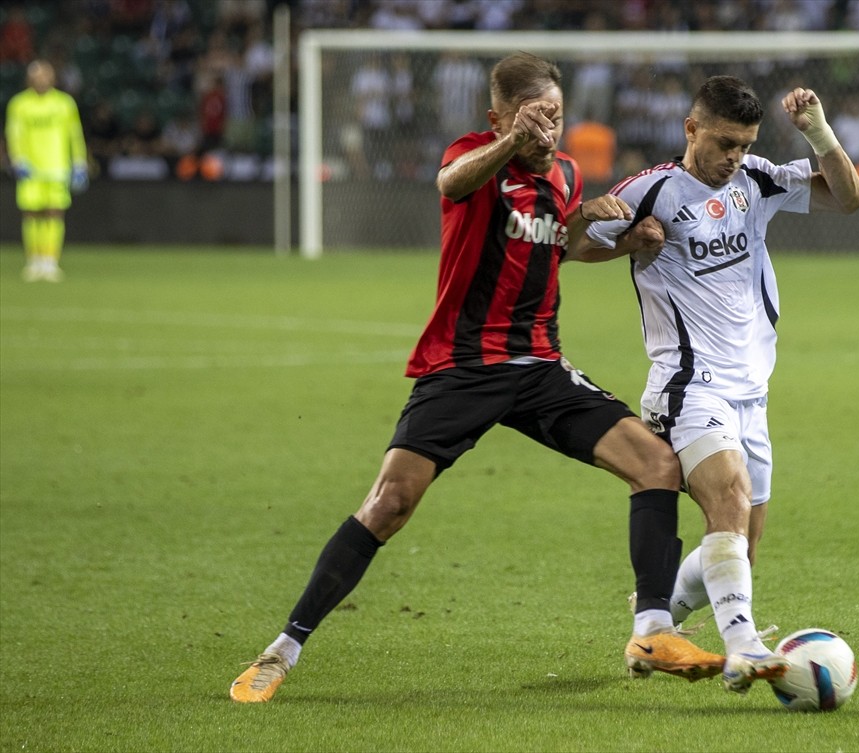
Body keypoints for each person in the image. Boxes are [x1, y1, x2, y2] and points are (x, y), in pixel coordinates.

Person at [229, 52, 723, 704]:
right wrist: (511, 143)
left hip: (540, 366)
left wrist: (620, 239)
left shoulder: (567, 173)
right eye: (533, 118)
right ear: (499, 119)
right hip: (463, 367)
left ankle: (652, 631)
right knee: (390, 503)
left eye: (555, 117)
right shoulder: (475, 158)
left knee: (656, 463)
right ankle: (282, 649)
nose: (547, 130)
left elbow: (560, 246)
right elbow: (450, 183)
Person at [581, 75, 859, 695]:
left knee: (740, 545)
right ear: (692, 129)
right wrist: (625, 237)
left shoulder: (756, 180)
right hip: (688, 383)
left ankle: (654, 626)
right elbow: (574, 245)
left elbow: (850, 198)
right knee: (730, 500)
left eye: (744, 145)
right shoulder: (651, 189)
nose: (734, 156)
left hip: (751, 391)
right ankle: (745, 648)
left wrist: (819, 134)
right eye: (725, 143)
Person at [5, 60, 89, 283]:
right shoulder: (19, 104)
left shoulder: (64, 103)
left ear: (52, 77)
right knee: (31, 213)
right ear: (29, 79)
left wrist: (80, 162)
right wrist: (18, 160)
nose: (41, 79)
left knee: (54, 213)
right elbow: (13, 134)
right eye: (36, 76)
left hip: (57, 167)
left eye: (44, 75)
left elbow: (75, 134)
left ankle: (50, 261)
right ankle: (34, 261)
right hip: (31, 169)